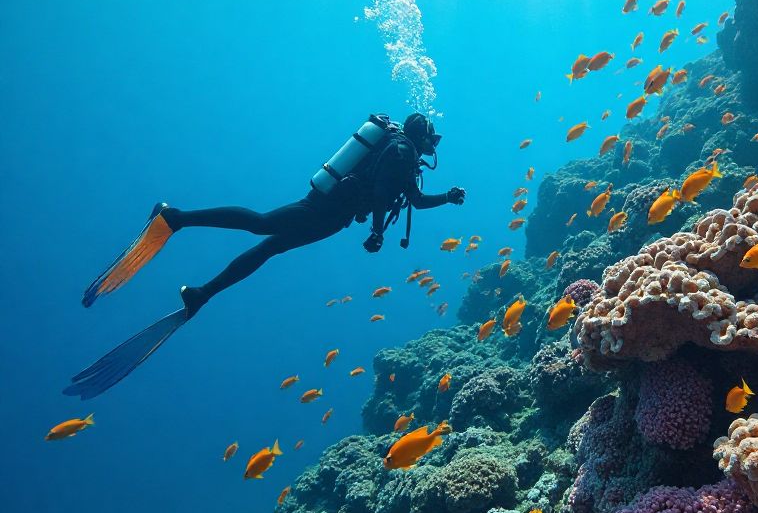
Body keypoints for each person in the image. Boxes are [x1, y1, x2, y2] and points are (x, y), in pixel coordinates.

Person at [66, 113, 464, 399]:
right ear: (421, 134)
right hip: (325, 210)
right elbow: (381, 195)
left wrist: (446, 198)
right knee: (261, 225)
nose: (435, 144)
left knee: (269, 246)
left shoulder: (402, 154)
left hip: (332, 214)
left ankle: (201, 294)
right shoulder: (400, 152)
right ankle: (176, 217)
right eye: (434, 137)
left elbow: (412, 199)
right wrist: (377, 231)